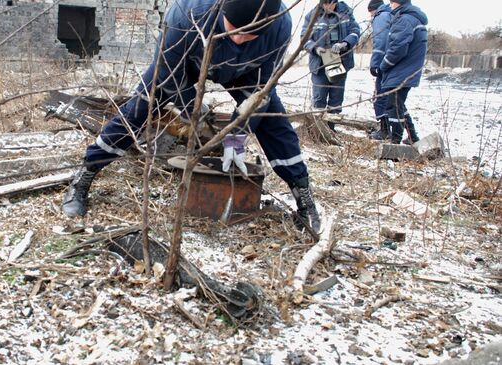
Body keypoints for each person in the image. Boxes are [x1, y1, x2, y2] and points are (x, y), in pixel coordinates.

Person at [62, 0, 322, 233]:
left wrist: (238, 134)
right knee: (138, 110)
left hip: (245, 71)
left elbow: (262, 87)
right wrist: (192, 112)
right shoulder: (187, 13)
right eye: (235, 29)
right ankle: (85, 175)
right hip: (186, 64)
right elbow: (169, 73)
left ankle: (303, 195)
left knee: (274, 120)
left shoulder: (279, 24)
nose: (240, 39)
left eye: (251, 34)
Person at [301, 0, 360, 129]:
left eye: (331, 4)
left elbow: (355, 31)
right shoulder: (312, 15)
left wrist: (344, 44)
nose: (328, 7)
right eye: (325, 4)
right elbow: (304, 38)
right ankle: (318, 130)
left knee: (336, 99)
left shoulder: (346, 12)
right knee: (319, 99)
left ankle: (331, 129)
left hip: (340, 61)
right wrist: (315, 48)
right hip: (319, 64)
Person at [379, 0, 427, 145]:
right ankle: (412, 137)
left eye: (391, 2)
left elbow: (397, 48)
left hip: (400, 72)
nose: (390, 5)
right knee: (399, 105)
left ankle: (395, 142)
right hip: (408, 71)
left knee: (394, 106)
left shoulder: (404, 19)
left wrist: (384, 64)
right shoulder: (413, 18)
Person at [367, 0, 392, 141]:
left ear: (373, 10)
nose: (370, 17)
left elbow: (380, 42)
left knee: (380, 96)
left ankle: (384, 130)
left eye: (370, 13)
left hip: (384, 64)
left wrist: (375, 64)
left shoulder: (381, 17)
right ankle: (391, 130)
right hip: (392, 63)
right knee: (390, 96)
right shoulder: (391, 14)